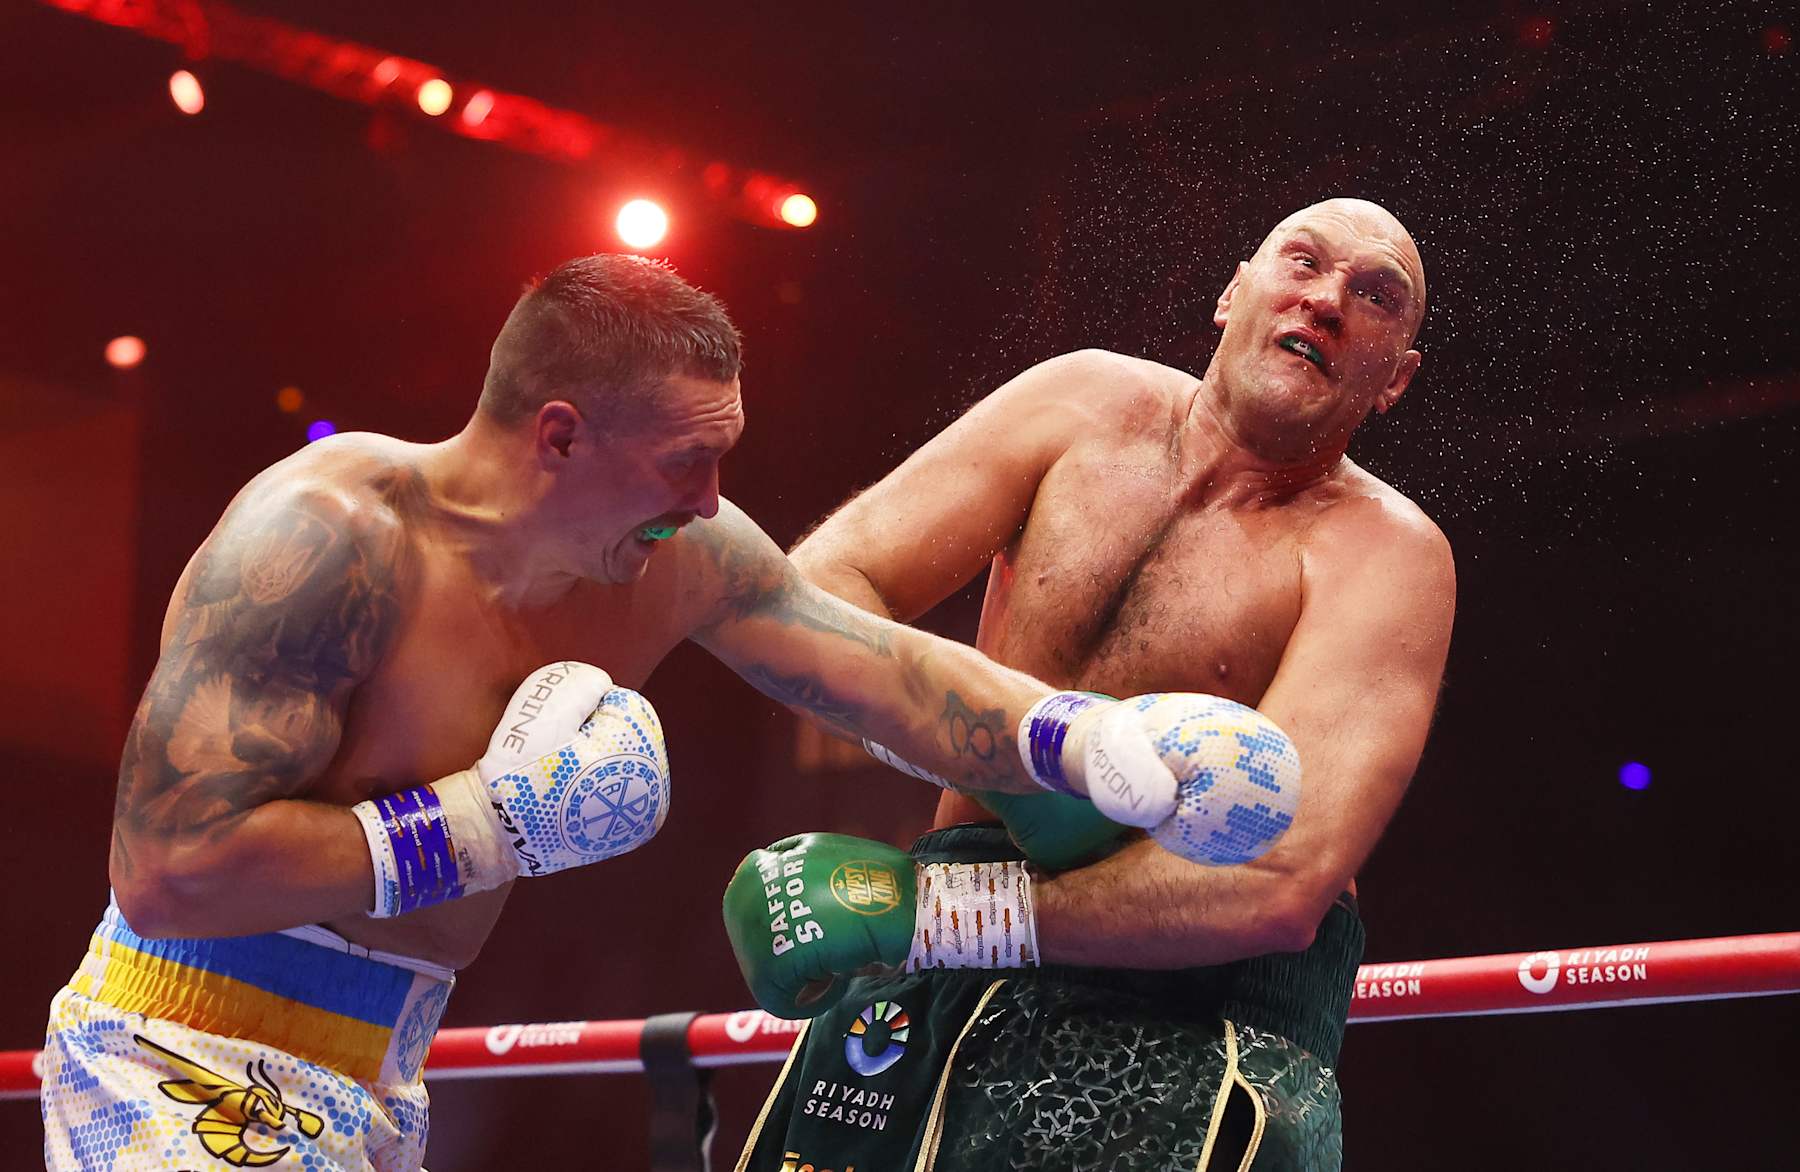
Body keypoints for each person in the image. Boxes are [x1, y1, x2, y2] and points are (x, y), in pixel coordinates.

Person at [41, 254, 1245, 1171]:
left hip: (383, 1065)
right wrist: (487, 823)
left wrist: (1087, 738)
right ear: (559, 433)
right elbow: (170, 868)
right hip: (174, 1046)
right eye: (683, 462)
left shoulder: (679, 555)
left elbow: (875, 669)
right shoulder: (328, 540)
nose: (712, 497)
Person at [726, 198, 1455, 1170]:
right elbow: (810, 598)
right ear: (1234, 289)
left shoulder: (1385, 552)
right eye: (1305, 261)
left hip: (1188, 1020)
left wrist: (938, 913)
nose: (1327, 300)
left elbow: (1279, 880)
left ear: (1393, 379)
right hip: (929, 978)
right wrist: (1016, 746)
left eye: (1374, 296)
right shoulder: (1079, 406)